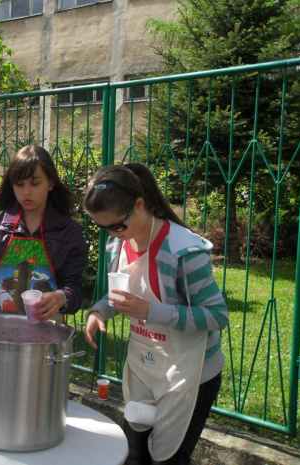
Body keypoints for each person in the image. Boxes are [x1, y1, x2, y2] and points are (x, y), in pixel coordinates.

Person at [82, 163, 229, 465]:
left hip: (191, 373)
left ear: (139, 205)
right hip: (146, 366)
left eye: (117, 225)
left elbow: (216, 316)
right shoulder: (117, 244)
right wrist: (99, 311)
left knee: (169, 458)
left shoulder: (183, 251)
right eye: (102, 227)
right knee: (133, 453)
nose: (112, 233)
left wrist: (150, 311)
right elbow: (119, 296)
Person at [0, 145, 88, 323]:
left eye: (35, 183)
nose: (26, 191)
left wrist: (61, 297)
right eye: (19, 184)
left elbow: (75, 288)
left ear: (51, 183)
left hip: (47, 337)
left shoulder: (68, 232)